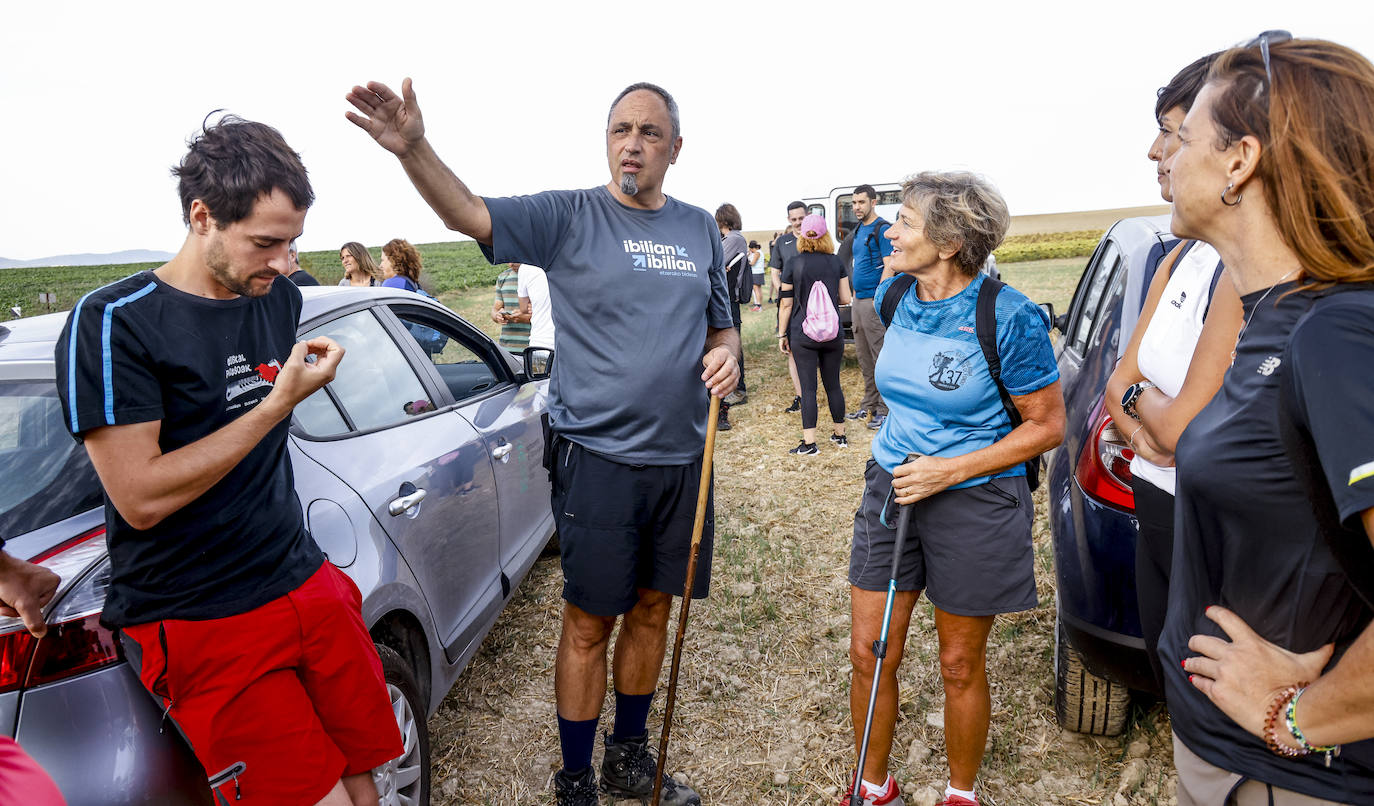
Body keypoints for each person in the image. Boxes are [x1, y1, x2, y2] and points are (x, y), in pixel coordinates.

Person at [346, 77, 739, 806]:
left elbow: (721, 326)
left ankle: (628, 755)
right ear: (607, 140)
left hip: (686, 458)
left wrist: (730, 353)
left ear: (675, 148)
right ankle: (575, 777)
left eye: (650, 133)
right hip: (597, 458)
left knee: (653, 607)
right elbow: (470, 213)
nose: (633, 142)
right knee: (590, 619)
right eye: (621, 128)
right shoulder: (570, 217)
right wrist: (413, 148)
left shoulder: (697, 231)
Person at [54, 116, 402, 806]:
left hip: (302, 578)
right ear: (202, 215)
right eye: (266, 243)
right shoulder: (116, 321)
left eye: (293, 241)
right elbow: (140, 496)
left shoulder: (279, 297)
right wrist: (274, 406)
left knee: (371, 770)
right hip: (202, 615)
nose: (284, 262)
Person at [1152, 33, 1374, 804]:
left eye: (1182, 137)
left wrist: (1304, 717)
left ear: (1240, 161)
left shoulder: (1335, 334)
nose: (1165, 157)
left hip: (1283, 777)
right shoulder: (1274, 318)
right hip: (1227, 752)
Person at [844, 172, 1063, 806]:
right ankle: (871, 786)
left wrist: (953, 469)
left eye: (906, 221)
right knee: (870, 651)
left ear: (948, 241)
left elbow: (1048, 426)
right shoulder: (893, 296)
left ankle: (960, 794)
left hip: (974, 496)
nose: (890, 231)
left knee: (958, 664)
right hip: (892, 486)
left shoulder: (1009, 315)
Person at [1101, 52, 1244, 692]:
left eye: (1173, 131)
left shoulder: (1241, 269)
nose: (1155, 150)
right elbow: (1117, 379)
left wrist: (1146, 411)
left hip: (1205, 519)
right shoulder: (1179, 254)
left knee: (1204, 680)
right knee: (1170, 658)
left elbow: (1185, 430)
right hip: (1155, 498)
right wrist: (1145, 428)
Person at [777, 213, 850, 454]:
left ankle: (810, 443)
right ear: (825, 235)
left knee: (808, 389)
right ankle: (840, 436)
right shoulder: (836, 262)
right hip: (832, 333)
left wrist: (781, 334)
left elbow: (786, 304)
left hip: (802, 333)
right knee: (834, 385)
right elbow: (845, 299)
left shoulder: (793, 264)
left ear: (802, 236)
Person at [846, 184, 895, 431]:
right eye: (854, 203)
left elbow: (890, 265)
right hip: (858, 302)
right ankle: (869, 404)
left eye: (861, 202)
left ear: (873, 202)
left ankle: (885, 410)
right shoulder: (857, 230)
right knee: (864, 357)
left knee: (880, 357)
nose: (856, 207)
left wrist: (879, 297)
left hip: (872, 303)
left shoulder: (881, 229)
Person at [769, 202, 808, 414]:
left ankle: (810, 393)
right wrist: (783, 291)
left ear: (807, 216)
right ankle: (800, 396)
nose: (797, 223)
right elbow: (775, 271)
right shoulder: (782, 242)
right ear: (788, 220)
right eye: (793, 219)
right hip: (788, 304)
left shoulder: (817, 238)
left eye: (801, 218)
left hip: (812, 305)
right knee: (792, 350)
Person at [717, 202, 750, 426]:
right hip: (728, 298)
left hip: (729, 298)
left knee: (732, 340)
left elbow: (716, 262)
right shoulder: (732, 240)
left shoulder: (733, 239)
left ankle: (738, 389)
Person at [491, 262, 532, 353]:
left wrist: (527, 319)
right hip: (507, 348)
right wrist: (497, 316)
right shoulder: (502, 277)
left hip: (532, 346)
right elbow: (495, 310)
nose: (511, 264)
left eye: (514, 259)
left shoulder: (537, 277)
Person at [517, 262, 556, 350]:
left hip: (540, 342)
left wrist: (535, 305)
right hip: (571, 341)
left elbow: (523, 308)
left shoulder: (525, 267)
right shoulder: (573, 258)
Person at [748, 239, 764, 310]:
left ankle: (758, 305)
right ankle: (759, 304)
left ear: (752, 248)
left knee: (756, 289)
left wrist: (747, 262)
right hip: (760, 272)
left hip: (755, 273)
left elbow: (752, 263)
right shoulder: (760, 252)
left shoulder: (757, 253)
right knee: (759, 289)